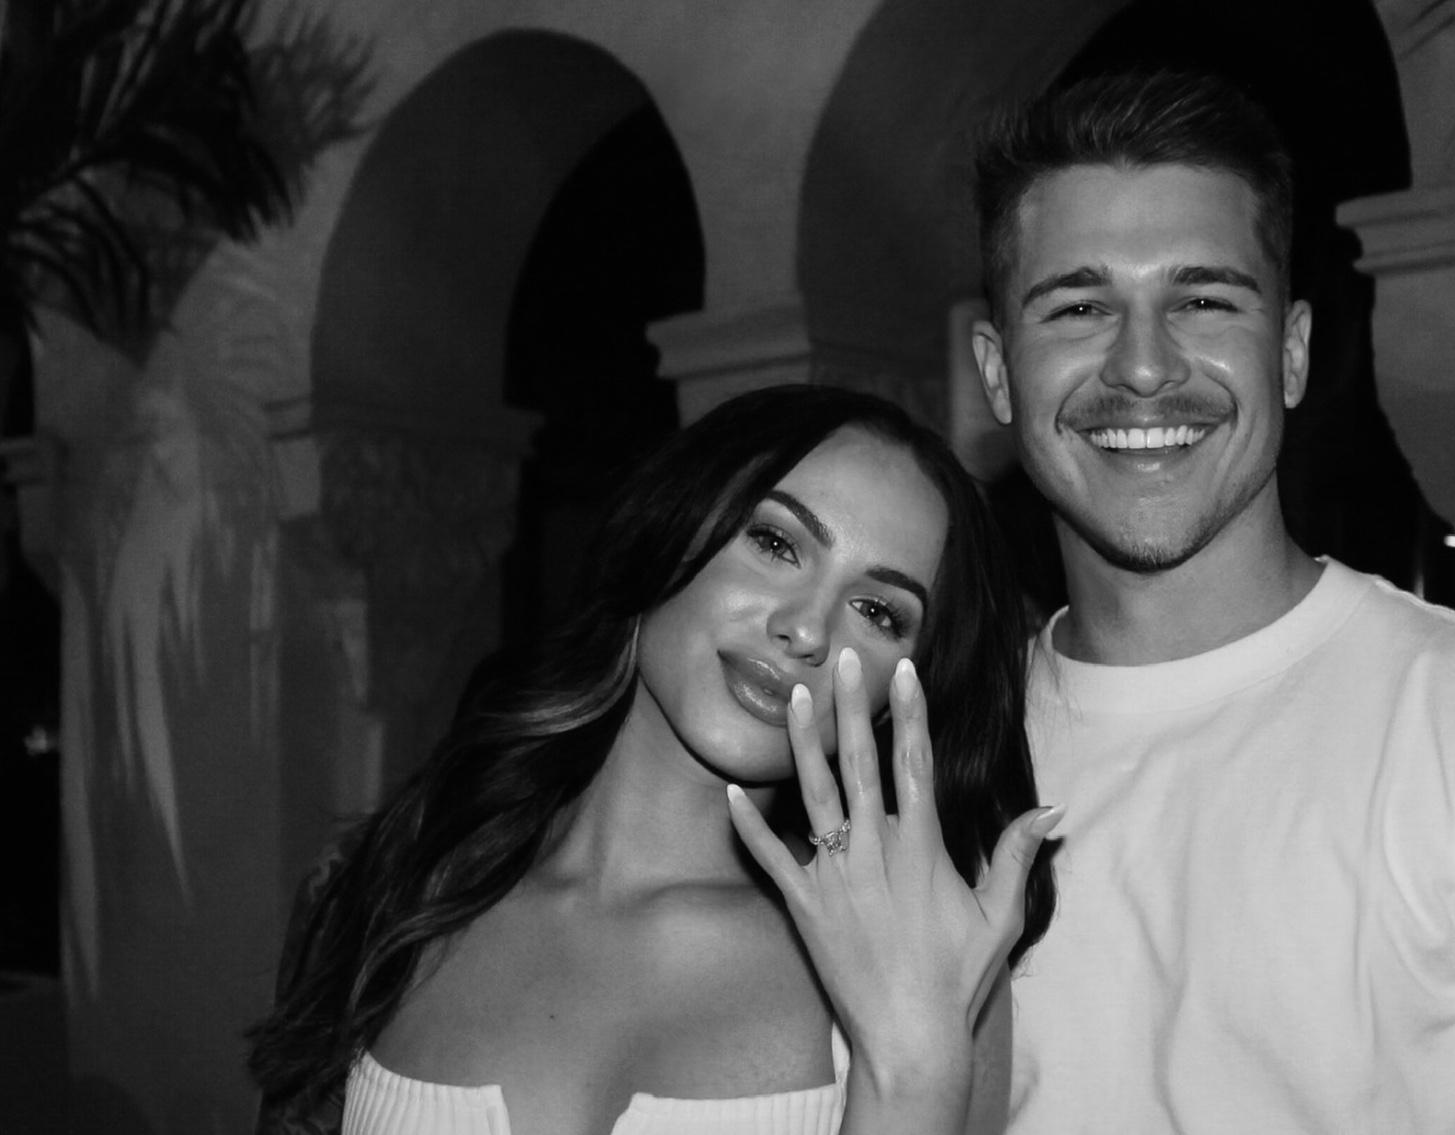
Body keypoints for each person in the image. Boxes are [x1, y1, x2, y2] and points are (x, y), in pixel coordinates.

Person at [968, 69, 1455, 1133]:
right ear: (997, 373)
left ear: (1289, 353)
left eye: (1201, 300)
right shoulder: (941, 758)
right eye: (1080, 307)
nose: (1142, 367)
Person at [248, 384, 1060, 1135]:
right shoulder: (392, 886)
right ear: (672, 532)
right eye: (775, 541)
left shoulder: (923, 963)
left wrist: (912, 1075)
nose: (807, 628)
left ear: (898, 692)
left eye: (878, 611)